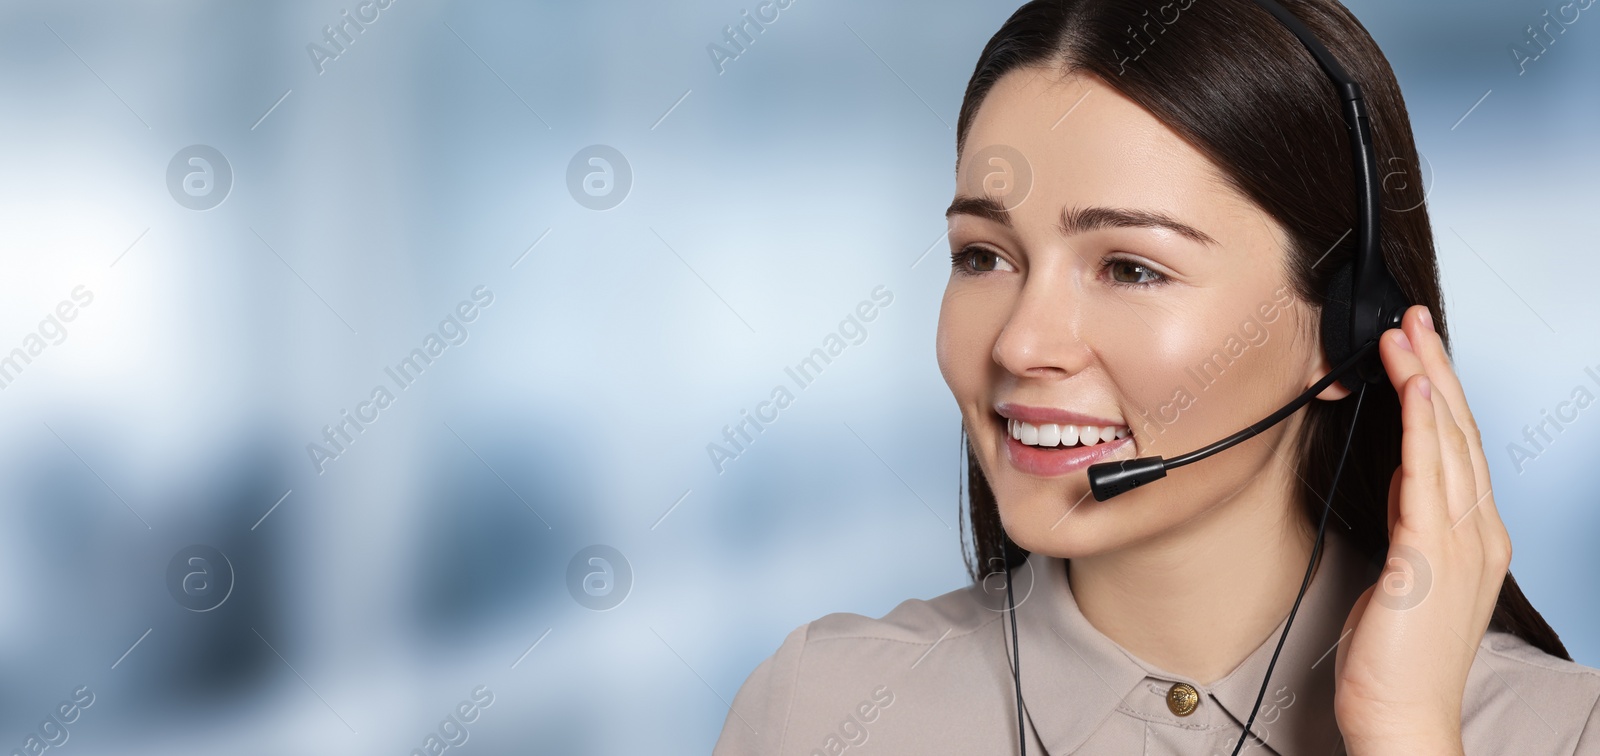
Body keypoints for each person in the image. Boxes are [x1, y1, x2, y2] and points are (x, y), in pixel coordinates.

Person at [712, 0, 1600, 753]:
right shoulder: (820, 712)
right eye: (983, 256)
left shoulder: (1563, 732)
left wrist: (1404, 730)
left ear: (1347, 330)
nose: (1022, 345)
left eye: (1131, 269)